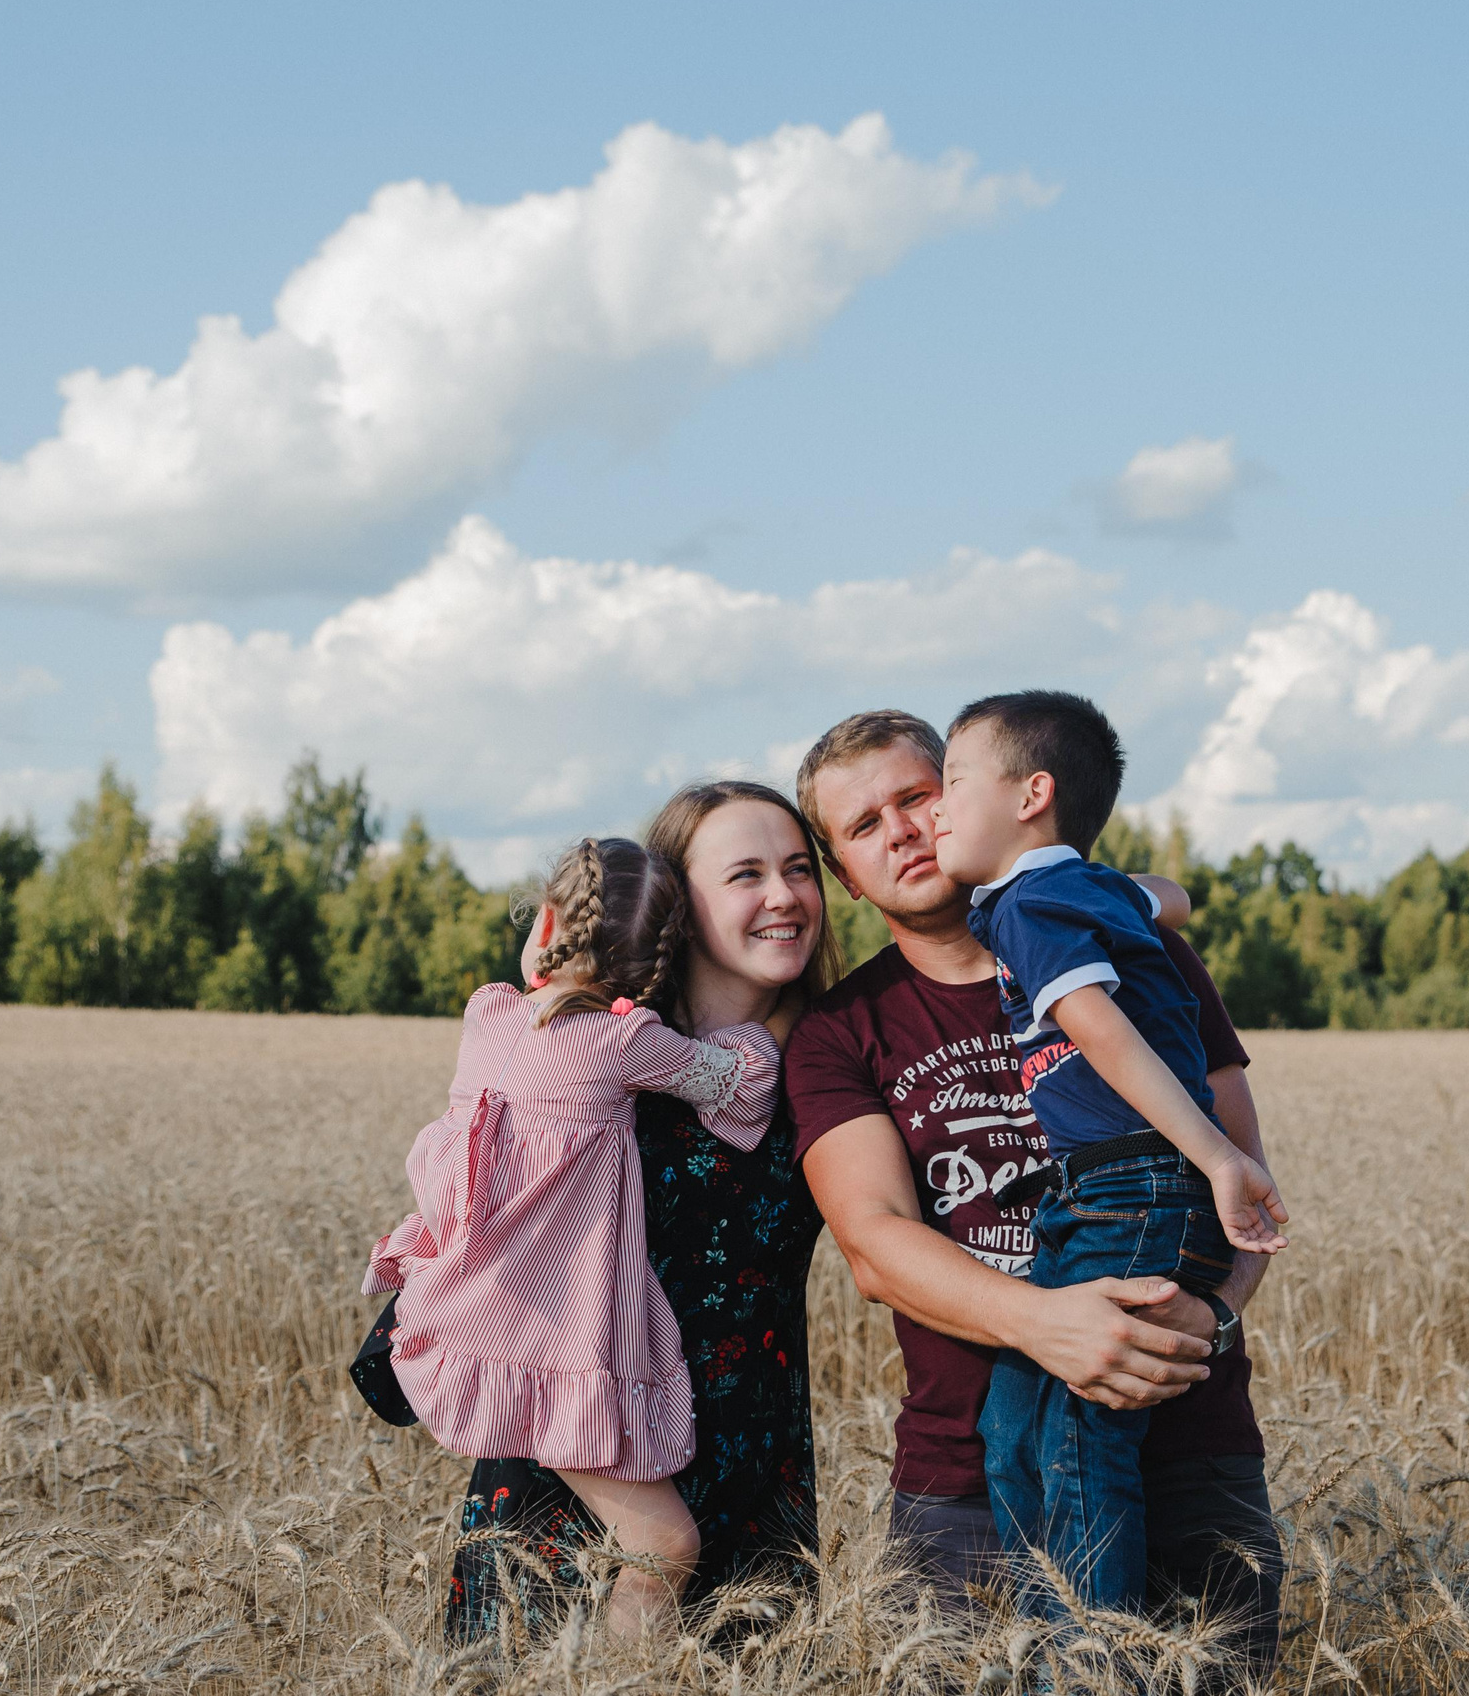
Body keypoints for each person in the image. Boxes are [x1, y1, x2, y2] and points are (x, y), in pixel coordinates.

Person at [786, 710, 1284, 1673]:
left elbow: (1241, 1174)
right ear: (846, 876)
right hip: (968, 1479)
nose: (898, 829)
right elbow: (875, 1243)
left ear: (985, 796)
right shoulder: (841, 1032)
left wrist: (1213, 1321)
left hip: (1190, 1439)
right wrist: (1047, 1325)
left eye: (917, 796)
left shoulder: (1134, 947)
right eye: (860, 826)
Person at [445, 783, 834, 1642]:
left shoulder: (831, 1054)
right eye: (746, 873)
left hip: (748, 1467)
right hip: (574, 1455)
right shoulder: (594, 1052)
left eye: (800, 869)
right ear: (676, 906)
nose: (784, 894)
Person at [363, 835, 779, 1634]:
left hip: (468, 1316)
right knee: (661, 1543)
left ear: (548, 919)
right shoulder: (623, 1042)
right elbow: (740, 1084)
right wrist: (754, 1027)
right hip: (560, 1354)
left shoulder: (487, 1015)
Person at [931, 690, 1287, 1618]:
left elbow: (1103, 1032)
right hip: (1104, 1190)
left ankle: (1089, 1661)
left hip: (1135, 1180)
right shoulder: (1081, 886)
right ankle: (1057, 1628)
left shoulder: (1026, 905)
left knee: (1080, 1435)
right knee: (1012, 1426)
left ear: (1030, 794)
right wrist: (1143, 892)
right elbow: (1175, 897)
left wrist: (1215, 1155)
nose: (935, 808)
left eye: (952, 782)